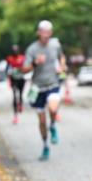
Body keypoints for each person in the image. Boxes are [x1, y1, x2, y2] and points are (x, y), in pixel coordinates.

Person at [20, 20, 66, 160]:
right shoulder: (32, 49)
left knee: (53, 109)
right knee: (41, 121)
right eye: (43, 32)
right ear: (38, 33)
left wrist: (62, 66)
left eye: (48, 32)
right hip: (38, 87)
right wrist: (35, 63)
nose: (45, 35)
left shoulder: (55, 44)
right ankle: (45, 146)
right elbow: (24, 69)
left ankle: (52, 125)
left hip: (53, 84)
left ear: (51, 33)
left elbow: (62, 57)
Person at [5, 44, 26, 124]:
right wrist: (9, 74)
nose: (15, 51)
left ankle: (20, 104)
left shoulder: (22, 58)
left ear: (18, 51)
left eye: (16, 50)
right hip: (13, 79)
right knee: (14, 95)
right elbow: (6, 69)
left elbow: (26, 67)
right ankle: (15, 116)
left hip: (21, 79)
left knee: (20, 94)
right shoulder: (9, 59)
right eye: (13, 50)